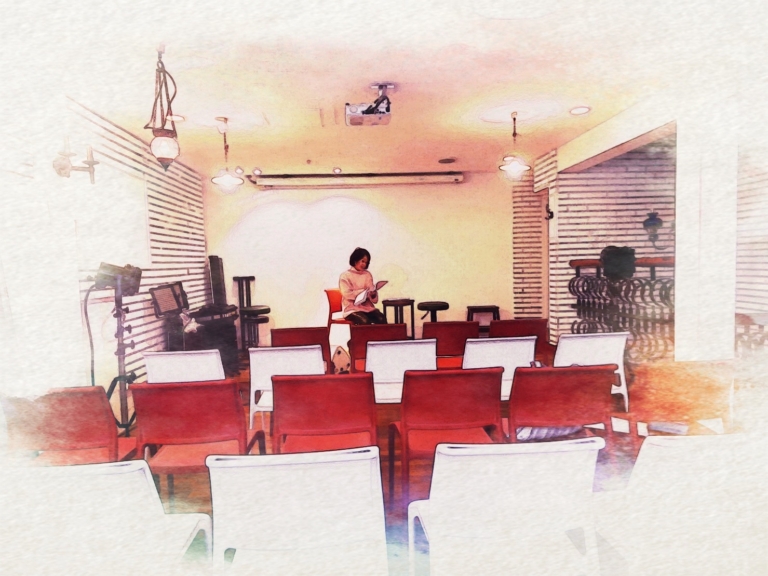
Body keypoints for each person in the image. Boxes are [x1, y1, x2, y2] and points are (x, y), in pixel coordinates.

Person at [339, 247, 387, 325]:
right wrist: (362, 292)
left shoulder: (367, 274)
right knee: (364, 321)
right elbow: (346, 294)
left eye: (366, 262)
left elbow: (373, 297)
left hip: (367, 308)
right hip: (351, 309)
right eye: (362, 261)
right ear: (355, 260)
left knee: (381, 318)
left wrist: (373, 294)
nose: (364, 264)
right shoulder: (345, 276)